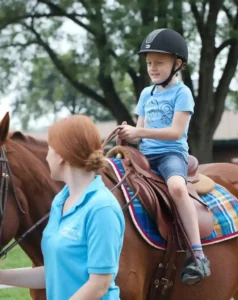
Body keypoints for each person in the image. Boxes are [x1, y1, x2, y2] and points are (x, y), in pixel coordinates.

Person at [118, 28, 210, 285]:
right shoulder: (147, 94)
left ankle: (198, 254)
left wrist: (139, 131)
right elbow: (139, 133)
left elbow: (175, 132)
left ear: (177, 63)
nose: (153, 68)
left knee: (177, 188)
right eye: (149, 63)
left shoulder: (182, 93)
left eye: (159, 62)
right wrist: (127, 133)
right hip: (144, 155)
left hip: (170, 154)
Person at [0, 115, 125, 299]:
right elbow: (54, 273)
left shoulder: (102, 208)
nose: (46, 155)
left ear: (62, 156)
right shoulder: (60, 201)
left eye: (50, 149)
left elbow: (99, 284)